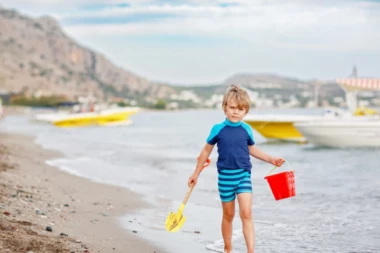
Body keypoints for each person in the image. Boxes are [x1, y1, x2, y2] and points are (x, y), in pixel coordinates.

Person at [188, 85, 285, 253]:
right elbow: (206, 151)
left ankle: (250, 250)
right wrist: (196, 173)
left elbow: (252, 149)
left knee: (246, 213)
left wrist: (271, 159)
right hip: (225, 177)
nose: (236, 112)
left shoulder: (246, 129)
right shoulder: (218, 129)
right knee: (229, 215)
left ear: (246, 111)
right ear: (224, 107)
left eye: (241, 109)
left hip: (243, 176)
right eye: (232, 108)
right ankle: (227, 248)